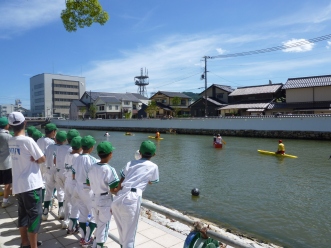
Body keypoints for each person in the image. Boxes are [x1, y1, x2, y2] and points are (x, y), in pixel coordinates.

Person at [112, 140, 159, 248]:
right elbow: (153, 181)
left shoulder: (130, 163)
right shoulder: (153, 166)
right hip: (132, 199)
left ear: (140, 153)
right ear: (154, 154)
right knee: (129, 236)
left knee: (122, 233)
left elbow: (122, 179)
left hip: (119, 197)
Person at [8, 112, 45, 248]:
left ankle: (25, 242)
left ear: (11, 126)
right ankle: (33, 246)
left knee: (22, 214)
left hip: (18, 184)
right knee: (35, 216)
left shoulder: (11, 140)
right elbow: (42, 159)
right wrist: (35, 158)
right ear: (25, 123)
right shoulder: (28, 141)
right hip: (31, 185)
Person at [88, 141, 119, 248]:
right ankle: (100, 245)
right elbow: (113, 189)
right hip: (105, 199)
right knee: (104, 225)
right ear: (110, 154)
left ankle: (95, 244)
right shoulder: (109, 169)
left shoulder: (92, 167)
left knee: (98, 222)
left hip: (94, 197)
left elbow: (88, 182)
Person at [70, 135, 98, 246]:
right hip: (88, 189)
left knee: (83, 214)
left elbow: (73, 174)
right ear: (91, 147)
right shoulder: (93, 160)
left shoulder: (77, 158)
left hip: (77, 187)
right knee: (94, 214)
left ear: (82, 146)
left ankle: (83, 238)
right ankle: (87, 239)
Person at [63, 135, 82, 231]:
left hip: (67, 181)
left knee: (67, 202)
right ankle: (73, 226)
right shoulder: (77, 157)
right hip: (74, 182)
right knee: (76, 205)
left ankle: (66, 220)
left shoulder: (68, 154)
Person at [0, 116, 13, 208]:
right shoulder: (8, 136)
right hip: (6, 163)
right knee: (7, 182)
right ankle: (5, 200)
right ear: (6, 125)